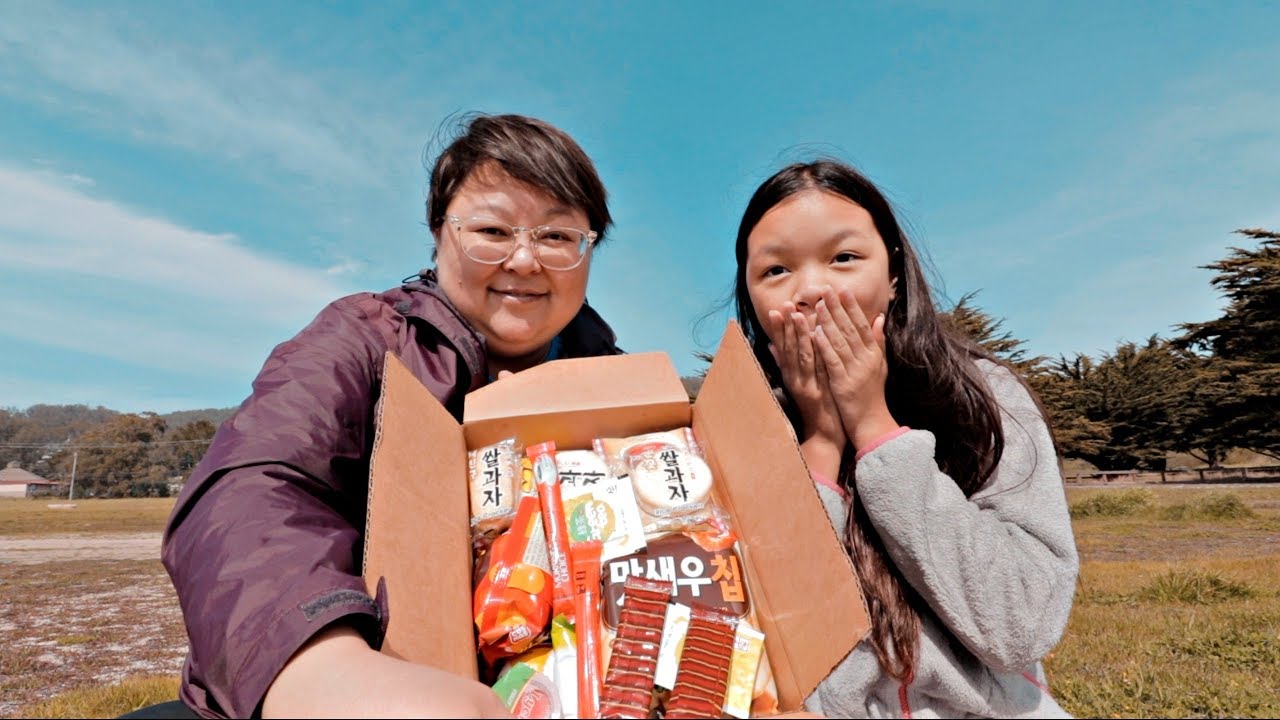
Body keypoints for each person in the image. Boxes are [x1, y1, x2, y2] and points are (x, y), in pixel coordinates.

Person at [158, 113, 622, 719]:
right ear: (438, 233)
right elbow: (255, 481)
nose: (525, 260)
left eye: (557, 236)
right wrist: (318, 667)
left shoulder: (618, 383)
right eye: (492, 231)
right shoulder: (364, 339)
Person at [732, 159, 1079, 718]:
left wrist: (875, 427)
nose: (812, 290)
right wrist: (821, 440)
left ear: (893, 274)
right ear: (750, 296)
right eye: (776, 270)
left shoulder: (981, 396)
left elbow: (1022, 625)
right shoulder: (737, 424)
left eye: (844, 258)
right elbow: (763, 635)